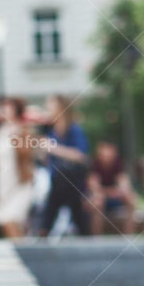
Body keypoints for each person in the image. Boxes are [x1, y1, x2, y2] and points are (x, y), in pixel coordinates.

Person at [37, 93, 91, 237]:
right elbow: (47, 160)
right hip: (57, 181)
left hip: (71, 182)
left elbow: (80, 155)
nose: (47, 108)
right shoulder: (51, 132)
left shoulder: (74, 129)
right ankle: (82, 232)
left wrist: (53, 148)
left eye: (51, 104)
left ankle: (45, 230)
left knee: (57, 202)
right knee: (69, 206)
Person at [0, 96, 36, 239]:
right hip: (3, 182)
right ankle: (19, 251)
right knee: (6, 221)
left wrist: (17, 139)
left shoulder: (23, 129)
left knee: (11, 220)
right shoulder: (0, 131)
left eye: (9, 108)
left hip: (20, 182)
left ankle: (20, 251)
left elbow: (28, 153)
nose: (5, 111)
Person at [87, 138, 137, 235]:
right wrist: (112, 192)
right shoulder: (94, 164)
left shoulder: (119, 164)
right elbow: (94, 188)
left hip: (115, 198)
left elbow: (124, 185)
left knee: (131, 200)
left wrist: (119, 191)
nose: (106, 153)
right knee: (98, 201)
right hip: (99, 200)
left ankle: (128, 237)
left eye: (109, 150)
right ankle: (96, 240)